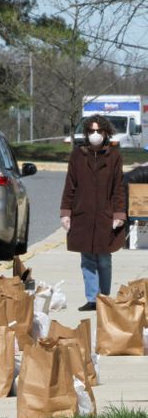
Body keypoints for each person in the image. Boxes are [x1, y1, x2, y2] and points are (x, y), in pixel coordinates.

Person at [60, 114, 126, 311]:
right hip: (83, 216)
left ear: (106, 133)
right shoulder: (77, 156)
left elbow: (118, 188)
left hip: (106, 215)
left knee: (104, 258)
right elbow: (70, 185)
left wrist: (119, 214)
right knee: (87, 259)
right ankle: (91, 298)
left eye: (99, 131)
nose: (95, 135)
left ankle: (104, 298)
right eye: (91, 131)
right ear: (86, 133)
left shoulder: (114, 156)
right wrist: (66, 212)